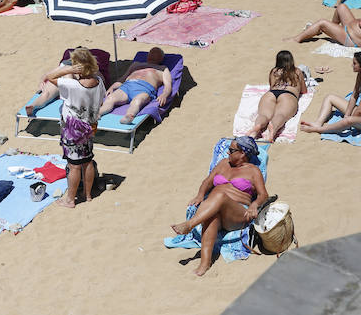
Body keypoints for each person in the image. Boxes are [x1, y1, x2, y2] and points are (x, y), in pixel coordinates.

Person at [170, 137, 268, 277]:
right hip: (215, 208)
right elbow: (207, 182)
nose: (227, 153)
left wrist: (254, 204)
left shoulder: (253, 171)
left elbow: (263, 195)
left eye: (231, 150)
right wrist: (200, 195)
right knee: (212, 216)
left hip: (237, 214)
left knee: (221, 195)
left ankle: (190, 224)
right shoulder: (223, 164)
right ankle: (205, 263)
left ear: (242, 153)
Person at [54, 48, 104, 208]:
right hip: (89, 126)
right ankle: (87, 195)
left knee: (74, 165)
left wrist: (67, 69)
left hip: (73, 129)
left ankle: (70, 200)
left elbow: (48, 77)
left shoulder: (73, 85)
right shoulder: (98, 81)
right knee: (87, 161)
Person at [301, 52, 361, 135]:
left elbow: (360, 110)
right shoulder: (360, 75)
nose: (352, 65)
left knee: (349, 121)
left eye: (354, 63)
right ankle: (318, 123)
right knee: (330, 97)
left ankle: (319, 129)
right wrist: (347, 115)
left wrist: (348, 120)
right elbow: (354, 96)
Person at [284, 0, 361, 54]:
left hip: (351, 39)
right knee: (341, 7)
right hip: (350, 28)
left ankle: (296, 39)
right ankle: (331, 29)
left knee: (322, 22)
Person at [99, 47, 171, 124]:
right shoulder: (136, 64)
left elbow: (168, 85)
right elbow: (123, 78)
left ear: (161, 58)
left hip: (144, 89)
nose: (153, 55)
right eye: (152, 52)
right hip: (127, 86)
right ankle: (98, 114)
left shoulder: (162, 69)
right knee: (110, 98)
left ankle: (129, 116)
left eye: (156, 53)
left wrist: (164, 95)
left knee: (137, 101)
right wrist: (112, 87)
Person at [249, 51, 307, 142]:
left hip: (271, 94)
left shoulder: (274, 71)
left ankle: (257, 127)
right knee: (281, 115)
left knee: (264, 115)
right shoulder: (297, 71)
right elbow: (304, 90)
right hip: (288, 95)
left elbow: (271, 86)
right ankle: (273, 128)